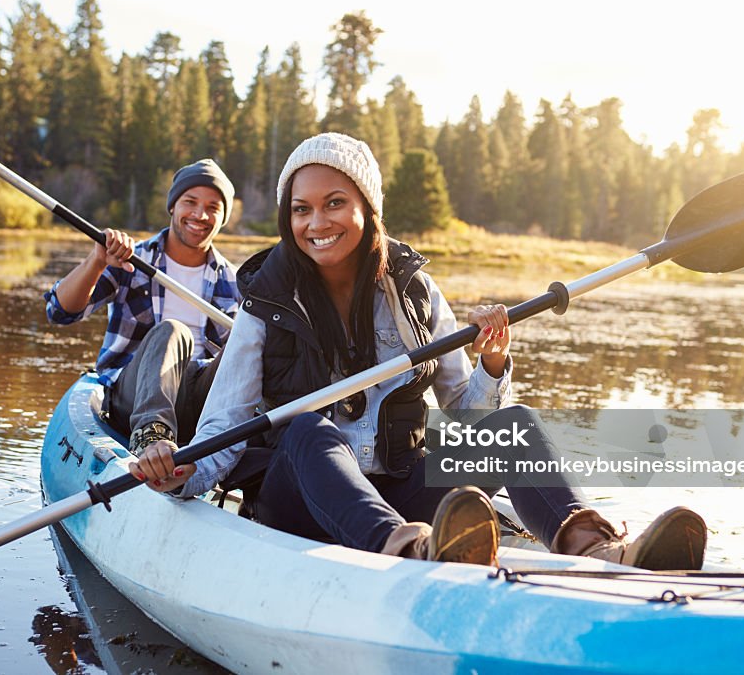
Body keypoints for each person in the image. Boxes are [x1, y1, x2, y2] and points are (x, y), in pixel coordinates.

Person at [129, 134, 708, 569]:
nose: (315, 222)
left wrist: (492, 364)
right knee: (308, 430)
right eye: (301, 210)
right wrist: (179, 473)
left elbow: (465, 413)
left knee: (511, 426)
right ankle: (406, 549)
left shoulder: (414, 292)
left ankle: (598, 547)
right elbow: (225, 423)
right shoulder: (265, 302)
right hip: (303, 497)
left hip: (401, 483)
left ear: (366, 209)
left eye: (334, 203)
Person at [44, 159, 241, 454]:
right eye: (190, 202)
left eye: (213, 207)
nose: (200, 215)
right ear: (173, 206)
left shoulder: (234, 280)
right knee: (173, 332)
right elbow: (60, 312)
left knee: (247, 343)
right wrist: (97, 261)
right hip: (133, 396)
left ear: (223, 217)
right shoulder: (131, 259)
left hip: (200, 404)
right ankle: (151, 436)